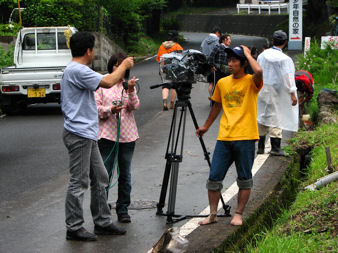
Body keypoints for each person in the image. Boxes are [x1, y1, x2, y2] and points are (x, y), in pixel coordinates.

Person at [61, 31, 134, 241]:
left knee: (101, 177)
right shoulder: (78, 70)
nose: (94, 53)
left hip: (86, 134)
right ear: (88, 51)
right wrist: (124, 65)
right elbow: (110, 81)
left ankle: (102, 222)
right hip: (80, 134)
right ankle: (74, 227)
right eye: (93, 49)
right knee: (79, 181)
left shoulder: (76, 69)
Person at [196, 45, 263, 226]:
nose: (230, 63)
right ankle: (212, 214)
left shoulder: (252, 81)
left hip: (246, 137)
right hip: (224, 138)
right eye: (229, 60)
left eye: (234, 60)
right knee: (214, 178)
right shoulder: (223, 83)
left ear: (242, 63)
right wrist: (206, 126)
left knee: (244, 179)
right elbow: (216, 106)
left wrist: (248, 54)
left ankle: (238, 214)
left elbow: (259, 70)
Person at [95, 52, 140, 223]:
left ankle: (123, 209)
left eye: (122, 65)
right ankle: (102, 210)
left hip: (127, 136)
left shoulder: (126, 85)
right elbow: (97, 109)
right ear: (111, 66)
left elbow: (134, 106)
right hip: (107, 136)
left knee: (125, 174)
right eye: (116, 64)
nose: (118, 68)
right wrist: (109, 110)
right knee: (105, 174)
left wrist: (131, 90)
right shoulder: (103, 83)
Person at [256, 30, 298, 156]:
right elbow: (288, 77)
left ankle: (260, 146)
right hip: (276, 90)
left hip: (262, 88)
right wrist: (292, 93)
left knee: (262, 115)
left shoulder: (262, 55)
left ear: (272, 41)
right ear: (285, 42)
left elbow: (257, 70)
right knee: (276, 116)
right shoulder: (285, 59)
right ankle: (275, 147)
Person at [156, 30, 183, 110]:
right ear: (176, 37)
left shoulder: (162, 46)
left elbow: (159, 58)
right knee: (174, 87)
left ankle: (164, 102)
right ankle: (172, 103)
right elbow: (181, 59)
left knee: (165, 86)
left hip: (163, 67)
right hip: (174, 69)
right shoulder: (178, 47)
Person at [207, 34, 232, 99]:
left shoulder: (228, 49)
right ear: (224, 40)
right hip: (218, 70)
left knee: (225, 86)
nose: (230, 41)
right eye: (229, 39)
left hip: (226, 71)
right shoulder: (218, 46)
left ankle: (222, 101)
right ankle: (214, 101)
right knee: (216, 86)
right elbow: (211, 56)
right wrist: (212, 66)